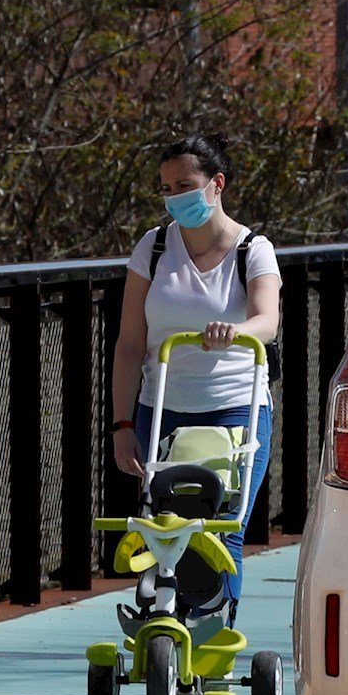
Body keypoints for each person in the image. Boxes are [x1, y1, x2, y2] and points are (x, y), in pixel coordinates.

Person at [108, 133, 282, 607]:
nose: (174, 197)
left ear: (216, 184)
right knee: (162, 533)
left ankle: (214, 640)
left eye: (184, 184)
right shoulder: (154, 247)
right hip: (163, 408)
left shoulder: (253, 250)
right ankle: (166, 627)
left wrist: (237, 330)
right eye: (165, 188)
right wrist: (123, 425)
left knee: (221, 531)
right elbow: (129, 344)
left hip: (233, 410)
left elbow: (268, 320)